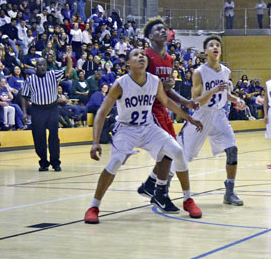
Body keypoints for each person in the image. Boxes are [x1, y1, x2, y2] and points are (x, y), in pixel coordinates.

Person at [84, 48, 204, 224]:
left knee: (178, 152)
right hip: (125, 129)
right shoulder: (120, 84)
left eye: (143, 55)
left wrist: (189, 118)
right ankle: (94, 206)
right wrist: (95, 142)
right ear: (128, 63)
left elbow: (166, 102)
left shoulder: (154, 81)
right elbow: (102, 112)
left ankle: (188, 199)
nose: (141, 56)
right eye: (136, 55)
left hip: (148, 128)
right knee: (115, 162)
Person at [136, 18, 200, 217]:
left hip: (163, 108)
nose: (163, 31)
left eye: (165, 29)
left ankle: (150, 184)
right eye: (158, 29)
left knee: (170, 151)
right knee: (169, 150)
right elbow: (141, 86)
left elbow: (167, 90)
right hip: (147, 109)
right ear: (150, 36)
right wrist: (162, 88)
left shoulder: (169, 59)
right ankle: (160, 192)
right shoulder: (145, 56)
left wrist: (186, 102)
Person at [175, 35, 247, 206]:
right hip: (201, 115)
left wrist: (236, 99)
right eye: (211, 45)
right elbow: (197, 100)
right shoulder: (199, 72)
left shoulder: (225, 71)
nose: (215, 47)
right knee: (183, 154)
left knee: (232, 150)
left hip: (219, 115)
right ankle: (162, 187)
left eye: (217, 45)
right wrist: (213, 90)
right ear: (205, 51)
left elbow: (224, 94)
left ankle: (229, 192)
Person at [20, 53, 73, 171]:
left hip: (51, 108)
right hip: (37, 109)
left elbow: (68, 72)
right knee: (39, 137)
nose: (42, 67)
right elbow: (24, 96)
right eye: (40, 65)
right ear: (36, 67)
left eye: (44, 65)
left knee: (54, 136)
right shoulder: (30, 79)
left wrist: (69, 58)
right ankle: (43, 162)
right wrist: (24, 113)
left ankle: (55, 162)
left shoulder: (53, 74)